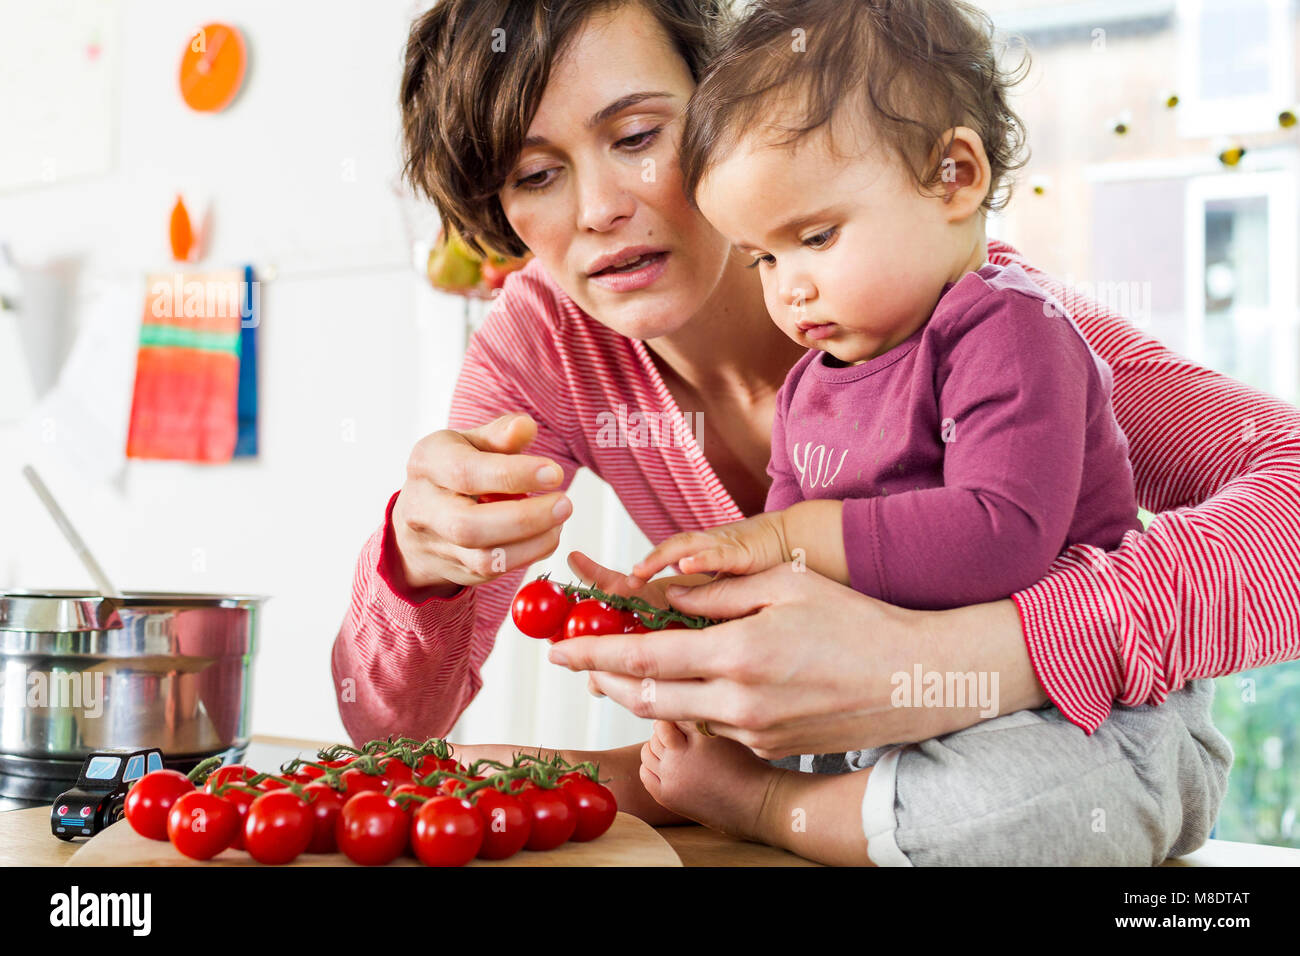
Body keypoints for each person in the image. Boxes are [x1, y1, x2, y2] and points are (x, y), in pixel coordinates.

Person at [331, 0, 1295, 864]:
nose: (597, 209)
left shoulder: (966, 312)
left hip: (1063, 743)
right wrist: (420, 567)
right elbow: (385, 735)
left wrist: (980, 661)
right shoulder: (544, 347)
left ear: (723, 112)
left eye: (636, 135)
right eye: (535, 174)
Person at [620, 0, 1202, 865]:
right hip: (891, 721)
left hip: (1080, 721)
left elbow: (998, 540)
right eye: (765, 259)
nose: (789, 290)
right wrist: (689, 610)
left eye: (815, 237)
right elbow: (787, 580)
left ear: (954, 176)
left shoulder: (1010, 332)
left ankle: (779, 809)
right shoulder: (809, 388)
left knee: (992, 809)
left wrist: (788, 537)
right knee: (761, 721)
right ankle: (810, 797)